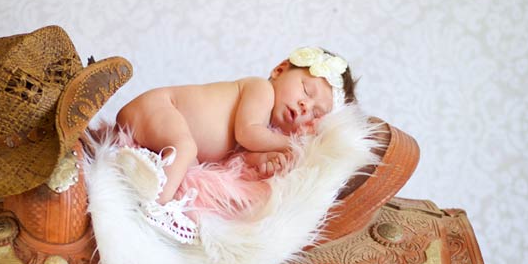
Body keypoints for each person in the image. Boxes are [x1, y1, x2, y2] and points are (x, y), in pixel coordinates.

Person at [115, 46, 357, 243]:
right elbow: (247, 134)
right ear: (279, 70)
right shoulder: (261, 89)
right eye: (306, 90)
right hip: (161, 107)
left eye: (315, 112)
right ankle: (153, 211)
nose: (306, 106)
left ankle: (144, 178)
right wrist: (294, 145)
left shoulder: (266, 129)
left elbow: (237, 159)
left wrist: (264, 161)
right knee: (185, 147)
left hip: (164, 132)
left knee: (191, 163)